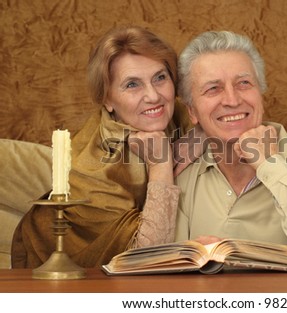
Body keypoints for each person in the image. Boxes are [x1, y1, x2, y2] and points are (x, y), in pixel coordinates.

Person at [12, 26, 190, 268]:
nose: (153, 96)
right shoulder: (92, 167)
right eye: (132, 85)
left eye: (160, 77)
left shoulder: (180, 116)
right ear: (107, 99)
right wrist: (160, 163)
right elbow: (146, 258)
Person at [174, 30, 287, 265]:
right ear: (192, 111)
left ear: (260, 94)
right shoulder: (184, 175)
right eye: (213, 88)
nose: (232, 100)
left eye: (244, 83)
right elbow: (169, 270)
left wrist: (269, 164)